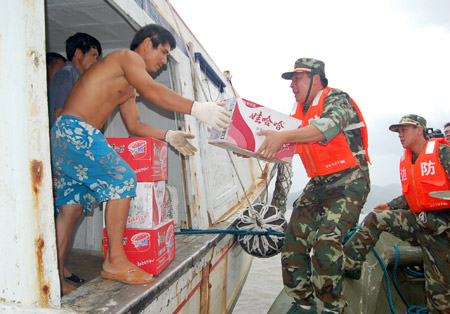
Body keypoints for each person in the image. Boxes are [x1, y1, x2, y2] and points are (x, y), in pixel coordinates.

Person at [50, 24, 232, 296]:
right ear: (147, 43)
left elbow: (134, 125)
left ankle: (53, 276)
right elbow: (151, 89)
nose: (163, 61)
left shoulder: (126, 82)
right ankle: (114, 261)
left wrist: (168, 135)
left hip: (63, 139)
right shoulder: (128, 57)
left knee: (71, 210)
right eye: (163, 52)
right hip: (76, 131)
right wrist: (196, 108)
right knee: (122, 177)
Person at [255, 58, 371, 314]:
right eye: (291, 80)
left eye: (297, 79)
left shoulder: (337, 99)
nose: (292, 86)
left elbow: (325, 128)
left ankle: (332, 308)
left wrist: (283, 136)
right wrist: (253, 149)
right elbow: (285, 146)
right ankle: (303, 303)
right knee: (292, 243)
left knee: (326, 244)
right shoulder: (299, 114)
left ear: (316, 78)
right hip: (319, 184)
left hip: (349, 181)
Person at [344, 114, 450, 314]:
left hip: (442, 232)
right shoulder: (409, 160)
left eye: (404, 130)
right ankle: (349, 264)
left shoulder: (443, 152)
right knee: (377, 218)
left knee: (439, 296)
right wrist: (390, 206)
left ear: (419, 130)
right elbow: (413, 194)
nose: (400, 135)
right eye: (398, 131)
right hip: (419, 223)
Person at [48, 32, 102, 127]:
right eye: (93, 55)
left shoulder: (80, 79)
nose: (95, 61)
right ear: (78, 53)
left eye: (96, 57)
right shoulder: (66, 73)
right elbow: (59, 114)